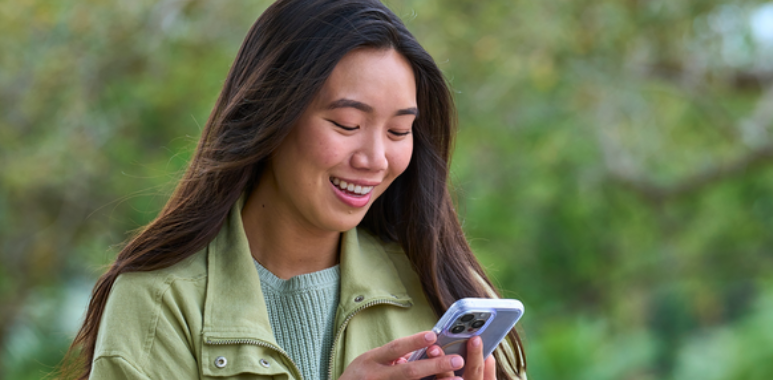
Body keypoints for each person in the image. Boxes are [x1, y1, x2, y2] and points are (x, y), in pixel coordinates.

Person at [58, 0, 526, 379]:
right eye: (347, 123)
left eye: (399, 131)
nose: (375, 159)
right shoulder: (159, 303)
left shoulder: (444, 289)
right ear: (272, 115)